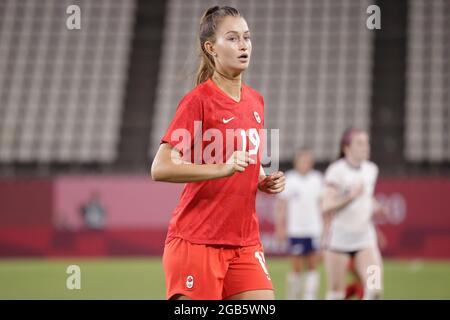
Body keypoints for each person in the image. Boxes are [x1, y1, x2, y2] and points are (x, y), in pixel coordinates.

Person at [151, 6, 285, 300]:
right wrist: (220, 168)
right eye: (233, 38)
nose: (243, 45)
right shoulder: (198, 102)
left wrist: (261, 179)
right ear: (211, 48)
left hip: (245, 242)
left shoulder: (256, 102)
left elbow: (247, 158)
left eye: (247, 38)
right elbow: (160, 167)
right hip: (197, 242)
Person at [321, 128, 384, 300]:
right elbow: (326, 206)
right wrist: (350, 196)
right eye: (360, 143)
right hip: (339, 239)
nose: (366, 147)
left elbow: (367, 197)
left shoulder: (372, 169)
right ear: (347, 148)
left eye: (367, 143)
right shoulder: (336, 170)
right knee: (336, 293)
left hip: (364, 238)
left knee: (375, 287)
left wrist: (377, 207)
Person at [274, 148, 323, 300]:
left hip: (314, 229)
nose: (305, 164)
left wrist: (327, 228)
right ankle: (293, 296)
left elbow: (323, 205)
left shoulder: (317, 179)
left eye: (307, 161)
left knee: (313, 266)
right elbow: (281, 206)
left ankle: (310, 296)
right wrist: (280, 227)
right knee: (296, 267)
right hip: (295, 230)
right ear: (296, 162)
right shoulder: (289, 178)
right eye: (302, 161)